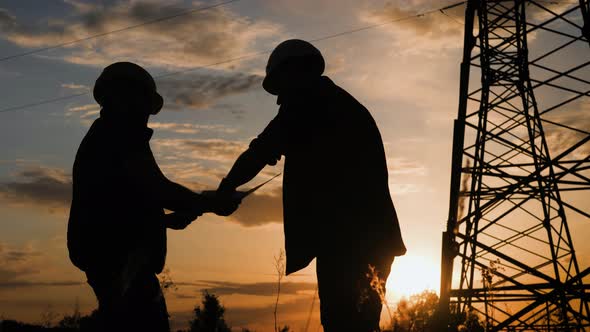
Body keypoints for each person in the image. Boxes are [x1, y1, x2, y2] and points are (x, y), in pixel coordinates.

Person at [217, 39, 407, 331]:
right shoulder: (338, 103)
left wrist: (226, 188)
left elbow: (260, 150)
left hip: (347, 242)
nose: (280, 100)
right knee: (360, 324)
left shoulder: (308, 99)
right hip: (372, 240)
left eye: (280, 88)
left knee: (342, 323)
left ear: (294, 71)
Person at [67, 62, 240, 332]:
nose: (147, 114)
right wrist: (208, 203)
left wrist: (163, 221)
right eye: (144, 103)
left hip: (115, 258)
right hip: (121, 261)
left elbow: (124, 200)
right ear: (123, 96)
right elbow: (155, 188)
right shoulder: (119, 135)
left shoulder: (107, 135)